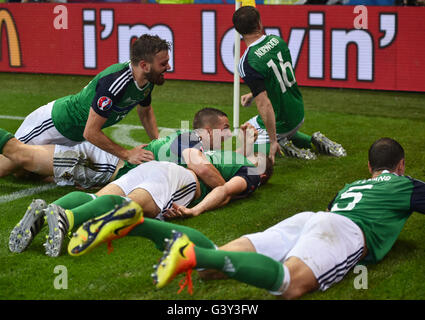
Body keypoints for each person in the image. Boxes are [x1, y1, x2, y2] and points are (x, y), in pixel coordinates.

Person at [118, 137, 422, 299]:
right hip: (345, 232)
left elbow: (329, 214)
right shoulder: (404, 183)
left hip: (310, 220)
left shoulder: (351, 187)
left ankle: (141, 226)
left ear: (369, 166)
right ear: (402, 165)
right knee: (290, 284)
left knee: (209, 269)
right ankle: (189, 252)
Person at [0, 34, 171, 178]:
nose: (168, 67)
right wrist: (127, 154)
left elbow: (146, 111)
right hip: (53, 124)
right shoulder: (115, 83)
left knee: (25, 174)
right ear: (144, 65)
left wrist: (157, 145)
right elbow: (90, 132)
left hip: (74, 138)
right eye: (163, 64)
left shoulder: (147, 80)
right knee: (7, 165)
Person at [0, 108, 236, 188]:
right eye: (225, 127)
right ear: (208, 128)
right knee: (21, 156)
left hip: (102, 165)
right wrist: (227, 190)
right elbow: (203, 170)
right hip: (101, 163)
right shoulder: (192, 139)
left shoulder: (186, 139)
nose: (229, 133)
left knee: (22, 171)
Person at [233, 6, 346, 162]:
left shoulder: (248, 61)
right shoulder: (276, 40)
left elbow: (264, 104)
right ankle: (312, 140)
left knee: (244, 137)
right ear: (259, 23)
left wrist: (273, 141)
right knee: (257, 128)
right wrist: (253, 94)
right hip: (298, 110)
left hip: (283, 120)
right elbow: (277, 77)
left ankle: (286, 146)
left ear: (238, 31)